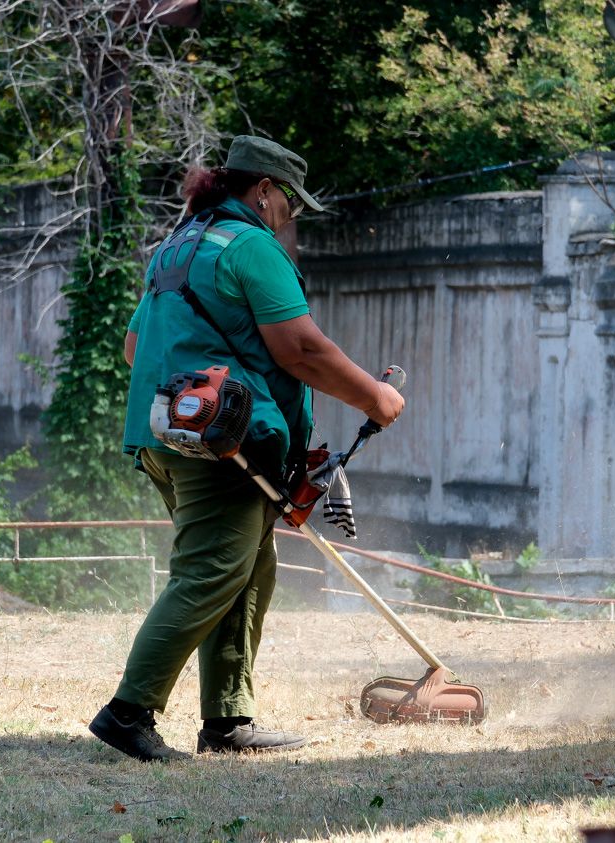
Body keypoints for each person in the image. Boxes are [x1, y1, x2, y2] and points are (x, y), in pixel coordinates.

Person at [88, 135, 405, 762]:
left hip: (167, 435)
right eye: (290, 201)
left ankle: (228, 721)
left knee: (247, 565)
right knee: (210, 570)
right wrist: (375, 398)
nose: (292, 215)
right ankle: (128, 713)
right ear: (263, 190)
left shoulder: (177, 246)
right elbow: (303, 350)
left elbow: (134, 349)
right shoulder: (252, 248)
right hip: (221, 447)